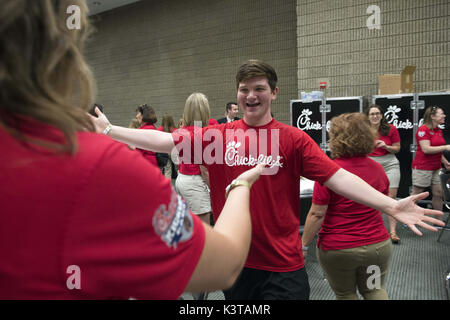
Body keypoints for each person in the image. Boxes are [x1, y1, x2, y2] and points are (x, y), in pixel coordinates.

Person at [91, 59, 444, 300]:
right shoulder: (218, 135)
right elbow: (166, 141)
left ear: (273, 92)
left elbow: (337, 177)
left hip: (283, 265)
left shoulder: (292, 138)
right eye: (244, 89)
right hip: (237, 264)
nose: (250, 95)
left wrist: (390, 205)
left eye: (259, 88)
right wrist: (108, 130)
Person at [0, 0, 264, 299]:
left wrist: (111, 131)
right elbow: (225, 265)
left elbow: (166, 142)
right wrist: (241, 184)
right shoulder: (93, 166)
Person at [302, 112, 392, 300]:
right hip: (376, 248)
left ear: (336, 138)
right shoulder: (379, 170)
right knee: (374, 290)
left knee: (345, 294)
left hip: (339, 250)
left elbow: (317, 214)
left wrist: (303, 246)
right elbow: (383, 204)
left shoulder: (329, 172)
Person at [364, 104, 402, 244]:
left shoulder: (391, 129)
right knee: (372, 198)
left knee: (391, 198)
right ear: (367, 117)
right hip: (371, 164)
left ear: (381, 115)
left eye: (377, 113)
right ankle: (372, 229)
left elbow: (397, 148)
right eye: (372, 114)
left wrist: (386, 146)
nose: (375, 116)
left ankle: (393, 231)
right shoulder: (364, 131)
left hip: (390, 162)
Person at [174, 93, 213, 226]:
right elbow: (205, 170)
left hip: (181, 179)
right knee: (204, 229)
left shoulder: (181, 131)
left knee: (187, 226)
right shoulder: (204, 134)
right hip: (195, 181)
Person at [411, 106, 450, 216]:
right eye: (441, 114)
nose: (444, 116)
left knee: (438, 193)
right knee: (417, 194)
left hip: (436, 167)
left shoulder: (438, 130)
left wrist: (445, 161)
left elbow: (437, 149)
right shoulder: (423, 129)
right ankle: (405, 216)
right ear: (432, 116)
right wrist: (446, 147)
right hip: (423, 168)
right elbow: (426, 149)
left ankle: (438, 221)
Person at [157, 114, 177, 181]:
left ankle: (167, 187)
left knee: (167, 170)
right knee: (179, 169)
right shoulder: (175, 130)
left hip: (164, 152)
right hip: (175, 152)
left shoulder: (159, 130)